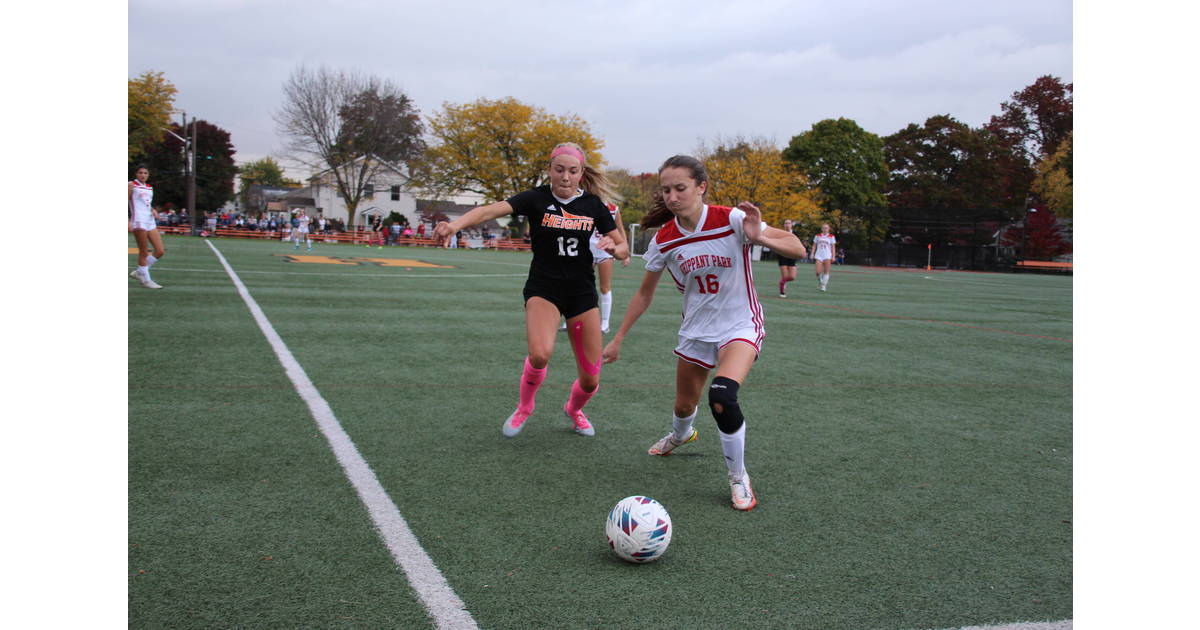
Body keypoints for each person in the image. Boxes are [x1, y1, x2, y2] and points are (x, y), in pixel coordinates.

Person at [602, 155, 806, 511]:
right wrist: (619, 337)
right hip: (696, 332)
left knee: (723, 395)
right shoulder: (664, 239)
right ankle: (681, 434)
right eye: (666, 190)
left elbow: (797, 248)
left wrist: (761, 238)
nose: (672, 196)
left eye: (680, 188)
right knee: (684, 406)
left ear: (701, 187)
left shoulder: (732, 219)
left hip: (740, 324)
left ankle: (738, 476)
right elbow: (644, 292)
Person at [434, 142, 629, 438]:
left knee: (590, 380)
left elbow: (623, 246)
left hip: (581, 293)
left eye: (572, 171)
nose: (565, 177)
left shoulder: (593, 205)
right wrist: (454, 225)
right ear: (549, 170)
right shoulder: (535, 198)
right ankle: (525, 407)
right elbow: (488, 211)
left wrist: (614, 247)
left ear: (581, 173)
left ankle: (574, 410)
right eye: (559, 170)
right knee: (540, 354)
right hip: (544, 287)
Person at [589, 201, 629, 333]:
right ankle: (570, 319)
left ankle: (605, 323)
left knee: (604, 287)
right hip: (586, 248)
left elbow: (620, 230)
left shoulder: (613, 208)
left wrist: (625, 252)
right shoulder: (584, 201)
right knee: (580, 284)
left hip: (605, 250)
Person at [128, 165, 166, 289]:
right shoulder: (131, 185)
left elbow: (146, 203)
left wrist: (153, 210)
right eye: (140, 172)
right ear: (136, 174)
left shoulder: (149, 187)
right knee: (144, 251)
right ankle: (146, 280)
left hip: (150, 220)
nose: (143, 175)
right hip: (138, 220)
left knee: (160, 250)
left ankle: (140, 272)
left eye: (145, 173)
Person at [775, 219, 798, 298]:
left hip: (792, 255)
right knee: (785, 276)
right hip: (782, 255)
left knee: (792, 277)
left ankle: (782, 282)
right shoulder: (780, 234)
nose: (787, 225)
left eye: (789, 223)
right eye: (786, 223)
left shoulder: (795, 234)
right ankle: (782, 292)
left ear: (791, 225)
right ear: (784, 225)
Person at [812, 223, 837, 291]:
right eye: (824, 228)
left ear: (829, 229)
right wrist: (812, 254)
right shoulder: (817, 236)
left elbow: (833, 247)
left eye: (826, 228)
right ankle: (821, 281)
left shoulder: (831, 236)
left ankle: (823, 286)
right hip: (818, 255)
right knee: (817, 272)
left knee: (826, 272)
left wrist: (833, 256)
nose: (825, 229)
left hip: (827, 256)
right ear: (821, 229)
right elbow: (814, 245)